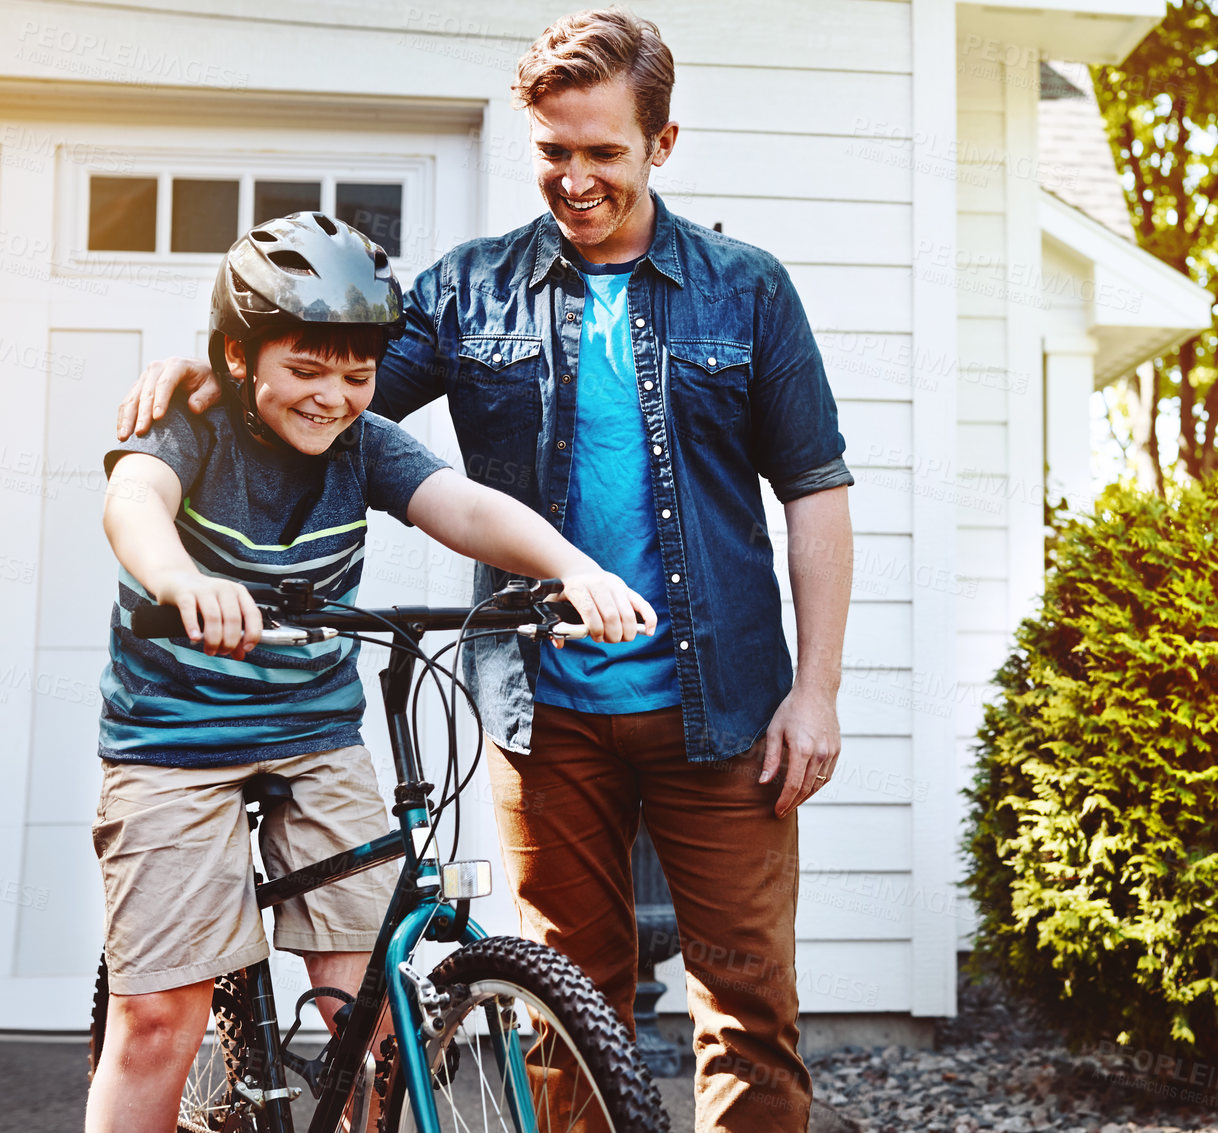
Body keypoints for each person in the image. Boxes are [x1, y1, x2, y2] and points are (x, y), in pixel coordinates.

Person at [117, 9, 856, 1130]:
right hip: (542, 711)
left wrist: (818, 689)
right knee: (565, 1007)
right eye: (554, 151)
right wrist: (210, 366)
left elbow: (815, 489)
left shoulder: (746, 290)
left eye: (603, 151)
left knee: (747, 1004)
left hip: (725, 706)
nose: (576, 177)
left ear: (662, 143)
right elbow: (326, 386)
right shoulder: (469, 289)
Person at [89, 211, 656, 1133]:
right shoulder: (195, 425)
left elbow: (465, 508)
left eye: (356, 376)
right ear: (238, 360)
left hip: (316, 736)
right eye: (304, 370)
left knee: (371, 1022)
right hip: (173, 746)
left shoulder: (364, 444)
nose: (333, 397)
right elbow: (134, 500)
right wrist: (181, 578)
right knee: (161, 1017)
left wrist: (576, 571)